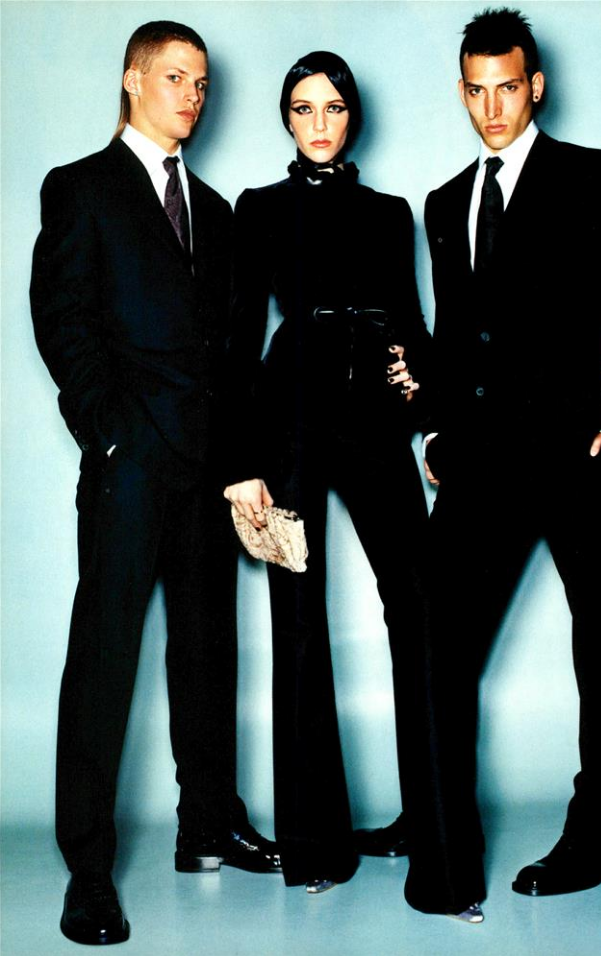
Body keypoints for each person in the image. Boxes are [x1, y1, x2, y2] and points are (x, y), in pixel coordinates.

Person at [420, 6, 601, 909]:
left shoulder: (590, 175)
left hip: (576, 450)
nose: (492, 107)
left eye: (507, 87)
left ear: (535, 85)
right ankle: (441, 839)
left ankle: (600, 835)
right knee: (436, 638)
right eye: (476, 91)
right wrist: (438, 435)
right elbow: (454, 341)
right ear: (462, 93)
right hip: (483, 460)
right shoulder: (444, 204)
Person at [30, 21, 279, 947]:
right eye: (176, 78)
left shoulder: (212, 210)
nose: (193, 96)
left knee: (208, 654)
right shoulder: (82, 187)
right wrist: (110, 437)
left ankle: (206, 826)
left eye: (203, 83)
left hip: (208, 472)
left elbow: (233, 355)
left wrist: (239, 465)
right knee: (105, 661)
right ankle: (88, 872)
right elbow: (61, 320)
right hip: (130, 466)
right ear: (133, 80)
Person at [224, 51, 481, 920]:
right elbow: (235, 339)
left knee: (421, 606)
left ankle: (443, 863)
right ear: (286, 119)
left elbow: (411, 323)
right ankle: (313, 849)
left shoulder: (389, 211)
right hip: (288, 414)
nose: (319, 123)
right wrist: (239, 461)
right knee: (296, 619)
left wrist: (431, 411)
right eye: (303, 109)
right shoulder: (258, 208)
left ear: (352, 115)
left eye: (332, 107)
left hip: (373, 414)